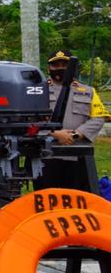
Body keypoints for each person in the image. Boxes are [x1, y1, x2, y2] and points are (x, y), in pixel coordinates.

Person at [35, 49, 108, 192]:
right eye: (56, 65)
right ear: (49, 68)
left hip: (78, 157)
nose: (61, 68)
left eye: (65, 64)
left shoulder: (88, 91)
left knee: (78, 201)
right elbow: (27, 121)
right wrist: (55, 134)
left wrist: (74, 135)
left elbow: (99, 118)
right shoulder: (36, 91)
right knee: (47, 202)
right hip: (45, 157)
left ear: (73, 67)